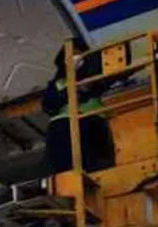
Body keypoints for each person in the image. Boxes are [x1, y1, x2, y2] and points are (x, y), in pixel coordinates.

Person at [42, 37, 119, 174]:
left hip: (93, 126)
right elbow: (48, 106)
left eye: (79, 54)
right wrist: (73, 91)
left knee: (100, 172)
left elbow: (114, 77)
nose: (76, 58)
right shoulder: (57, 83)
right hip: (64, 129)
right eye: (71, 55)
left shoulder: (96, 78)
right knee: (68, 174)